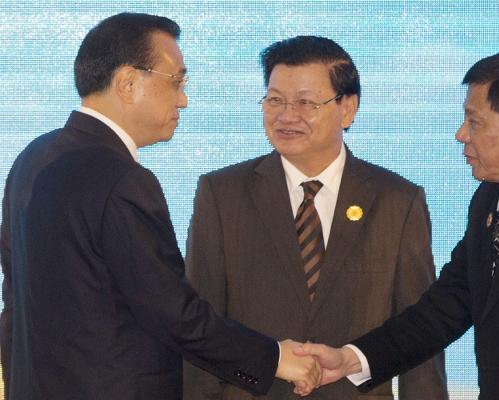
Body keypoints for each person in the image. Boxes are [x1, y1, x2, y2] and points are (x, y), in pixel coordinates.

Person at [0, 13, 320, 400]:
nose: (183, 99)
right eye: (177, 81)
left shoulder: (33, 157)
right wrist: (275, 358)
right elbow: (174, 312)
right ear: (128, 82)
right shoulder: (121, 179)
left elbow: (15, 306)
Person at [298, 50, 499, 400]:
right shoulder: (490, 198)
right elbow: (446, 307)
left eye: (475, 122)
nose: (461, 134)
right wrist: (351, 359)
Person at [183, 35, 447, 400]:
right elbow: (201, 325)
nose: (286, 116)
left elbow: (421, 334)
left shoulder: (397, 201)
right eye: (275, 100)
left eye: (305, 102)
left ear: (347, 108)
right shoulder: (222, 193)